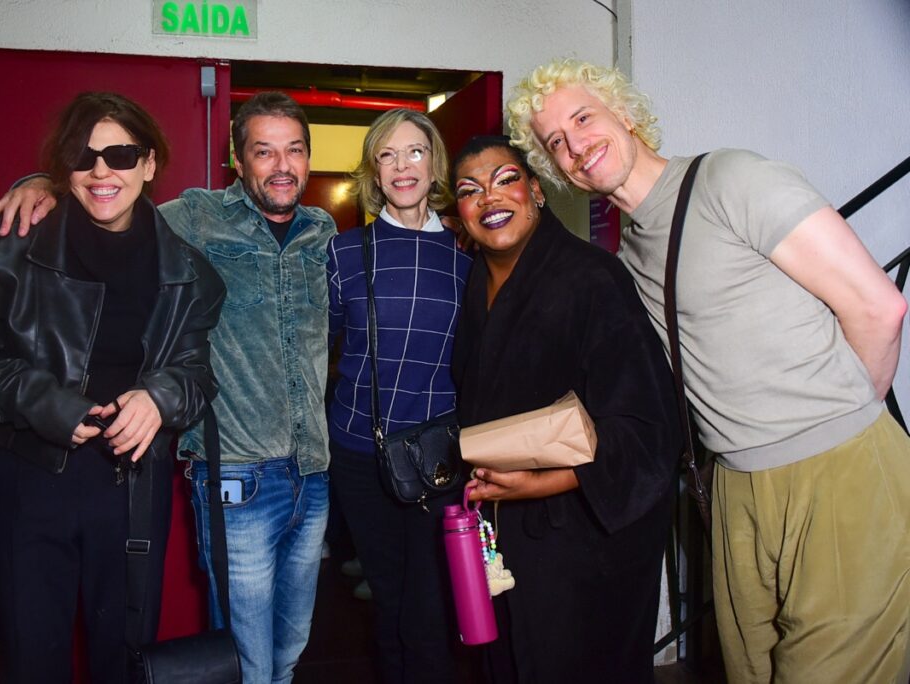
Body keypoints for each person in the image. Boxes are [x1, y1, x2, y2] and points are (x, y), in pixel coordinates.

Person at [507, 58, 910, 684]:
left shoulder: (731, 178)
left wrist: (838, 433)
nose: (575, 145)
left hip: (838, 469)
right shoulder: (629, 250)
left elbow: (880, 308)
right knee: (748, 671)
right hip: (733, 487)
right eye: (555, 141)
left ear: (626, 113)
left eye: (583, 118)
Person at [0, 91, 337, 684]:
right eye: (263, 151)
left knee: (292, 646)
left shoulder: (323, 232)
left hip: (312, 469)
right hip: (237, 475)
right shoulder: (194, 216)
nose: (281, 165)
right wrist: (40, 182)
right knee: (247, 659)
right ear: (236, 159)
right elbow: (106, 196)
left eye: (294, 150)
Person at [0, 91, 225, 684]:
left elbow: (197, 375)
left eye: (120, 154)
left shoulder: (190, 272)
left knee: (124, 662)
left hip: (131, 491)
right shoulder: (2, 247)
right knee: (32, 658)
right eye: (83, 155)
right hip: (26, 484)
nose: (101, 171)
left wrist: (160, 397)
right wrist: (48, 404)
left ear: (148, 164)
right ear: (64, 166)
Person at [451, 135, 679, 683]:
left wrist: (537, 483)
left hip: (582, 537)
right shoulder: (474, 283)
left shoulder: (592, 278)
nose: (489, 197)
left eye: (505, 180)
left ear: (536, 191)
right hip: (508, 531)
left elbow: (648, 429)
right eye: (468, 190)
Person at [326, 108, 472, 683]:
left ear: (433, 162)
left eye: (414, 151)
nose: (401, 166)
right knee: (387, 600)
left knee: (433, 603)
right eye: (387, 155)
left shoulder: (468, 257)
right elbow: (323, 348)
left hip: (440, 456)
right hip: (360, 452)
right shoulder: (343, 253)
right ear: (374, 171)